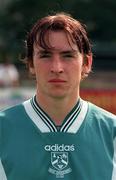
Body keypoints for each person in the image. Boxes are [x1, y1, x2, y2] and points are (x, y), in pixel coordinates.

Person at [0, 12, 116, 180]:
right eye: (45, 55)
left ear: (86, 63)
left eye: (68, 55)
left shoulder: (112, 133)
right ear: (31, 63)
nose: (57, 67)